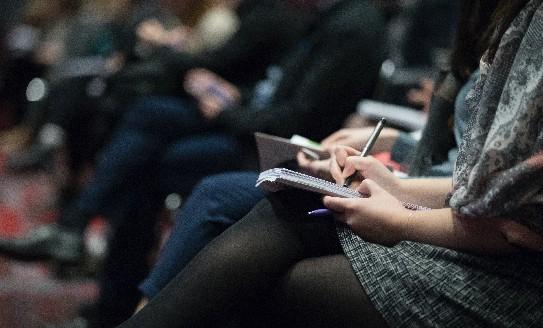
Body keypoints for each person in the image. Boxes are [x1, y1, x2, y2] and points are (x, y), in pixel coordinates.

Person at [117, 1, 543, 327]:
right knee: (275, 205)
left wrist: (401, 211)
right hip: (462, 217)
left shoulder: (354, 24)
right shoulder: (507, 18)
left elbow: (513, 218)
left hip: (514, 279)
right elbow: (479, 183)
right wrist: (393, 183)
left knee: (256, 256)